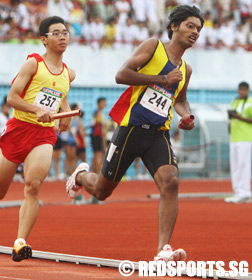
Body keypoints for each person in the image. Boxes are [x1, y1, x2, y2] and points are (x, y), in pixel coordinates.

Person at [66, 5, 203, 262]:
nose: (194, 32)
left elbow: (180, 99)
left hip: (158, 134)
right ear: (174, 26)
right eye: (190, 26)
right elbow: (121, 75)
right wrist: (162, 79)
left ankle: (163, 250)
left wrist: (186, 116)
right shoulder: (154, 47)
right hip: (131, 129)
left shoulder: (186, 69)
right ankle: (82, 176)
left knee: (171, 182)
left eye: (198, 29)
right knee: (102, 192)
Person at [0, 16, 75, 262]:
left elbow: (60, 91)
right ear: (44, 40)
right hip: (18, 130)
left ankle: (19, 242)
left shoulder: (69, 73)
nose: (62, 37)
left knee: (33, 185)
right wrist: (37, 110)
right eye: (56, 33)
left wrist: (64, 111)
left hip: (43, 135)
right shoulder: (33, 64)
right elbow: (12, 98)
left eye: (65, 32)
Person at [225, 81, 252, 203]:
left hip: (245, 137)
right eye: (240, 89)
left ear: (248, 91)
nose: (242, 92)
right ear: (238, 90)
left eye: (244, 90)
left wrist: (238, 117)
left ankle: (245, 191)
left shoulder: (250, 103)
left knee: (243, 165)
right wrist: (230, 115)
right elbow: (233, 116)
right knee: (235, 165)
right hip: (234, 137)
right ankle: (237, 191)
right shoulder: (235, 101)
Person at [90, 97, 106, 174]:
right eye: (103, 102)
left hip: (95, 135)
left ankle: (94, 171)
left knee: (96, 154)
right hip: (97, 135)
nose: (104, 104)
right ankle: (97, 172)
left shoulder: (97, 112)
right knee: (98, 154)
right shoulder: (98, 112)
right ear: (99, 103)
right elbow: (100, 125)